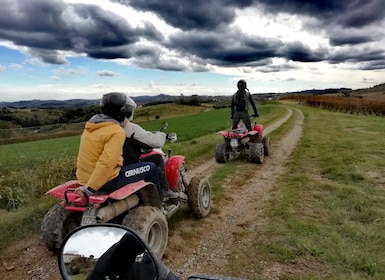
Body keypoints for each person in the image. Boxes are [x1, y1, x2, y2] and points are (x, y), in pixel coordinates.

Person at [75, 92, 161, 198]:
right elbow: (106, 162)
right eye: (128, 114)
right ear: (121, 113)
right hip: (107, 181)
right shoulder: (116, 131)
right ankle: (160, 202)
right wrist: (90, 189)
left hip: (84, 178)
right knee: (151, 167)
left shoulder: (91, 127)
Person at [121, 96, 178, 201]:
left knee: (153, 158)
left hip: (114, 167)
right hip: (126, 167)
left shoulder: (105, 127)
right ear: (127, 112)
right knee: (154, 162)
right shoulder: (129, 128)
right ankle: (161, 195)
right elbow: (153, 141)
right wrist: (162, 135)